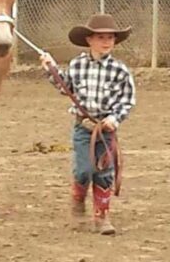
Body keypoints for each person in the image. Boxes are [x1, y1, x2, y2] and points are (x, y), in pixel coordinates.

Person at [39, 14, 136, 235]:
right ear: (89, 40)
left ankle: (102, 217)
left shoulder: (119, 70)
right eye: (101, 37)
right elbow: (66, 88)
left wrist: (114, 119)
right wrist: (50, 68)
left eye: (110, 38)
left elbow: (127, 100)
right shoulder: (77, 65)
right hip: (83, 128)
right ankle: (78, 200)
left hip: (106, 130)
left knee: (104, 172)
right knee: (83, 169)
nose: (106, 42)